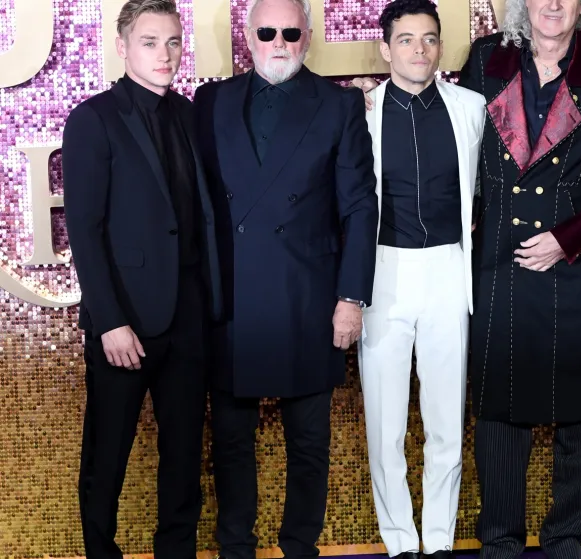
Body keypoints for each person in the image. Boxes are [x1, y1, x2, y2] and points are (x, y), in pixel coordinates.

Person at [455, 1, 581, 557]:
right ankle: (501, 543)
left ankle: (566, 540)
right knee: (499, 415)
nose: (553, 4)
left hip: (578, 266)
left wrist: (571, 236)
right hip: (500, 262)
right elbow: (463, 152)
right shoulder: (488, 58)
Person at [192, 0, 378, 557]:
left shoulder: (340, 105)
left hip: (308, 296)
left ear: (308, 36)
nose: (279, 42)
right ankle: (235, 548)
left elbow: (360, 208)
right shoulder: (210, 101)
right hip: (232, 298)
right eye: (267, 31)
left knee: (309, 442)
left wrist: (351, 297)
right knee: (229, 442)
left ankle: (301, 547)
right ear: (247, 36)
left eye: (290, 32)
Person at [62, 1, 222, 558]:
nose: (165, 53)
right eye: (150, 42)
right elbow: (84, 229)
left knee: (183, 460)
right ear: (123, 46)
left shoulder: (187, 114)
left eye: (173, 41)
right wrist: (110, 322)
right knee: (107, 457)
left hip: (187, 319)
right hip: (125, 322)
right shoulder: (93, 118)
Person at [357, 1, 485, 559]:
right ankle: (399, 544)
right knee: (384, 427)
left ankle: (437, 543)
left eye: (429, 39)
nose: (418, 50)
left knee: (445, 423)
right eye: (405, 40)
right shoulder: (357, 113)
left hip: (448, 268)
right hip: (382, 269)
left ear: (440, 46)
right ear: (385, 49)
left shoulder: (472, 107)